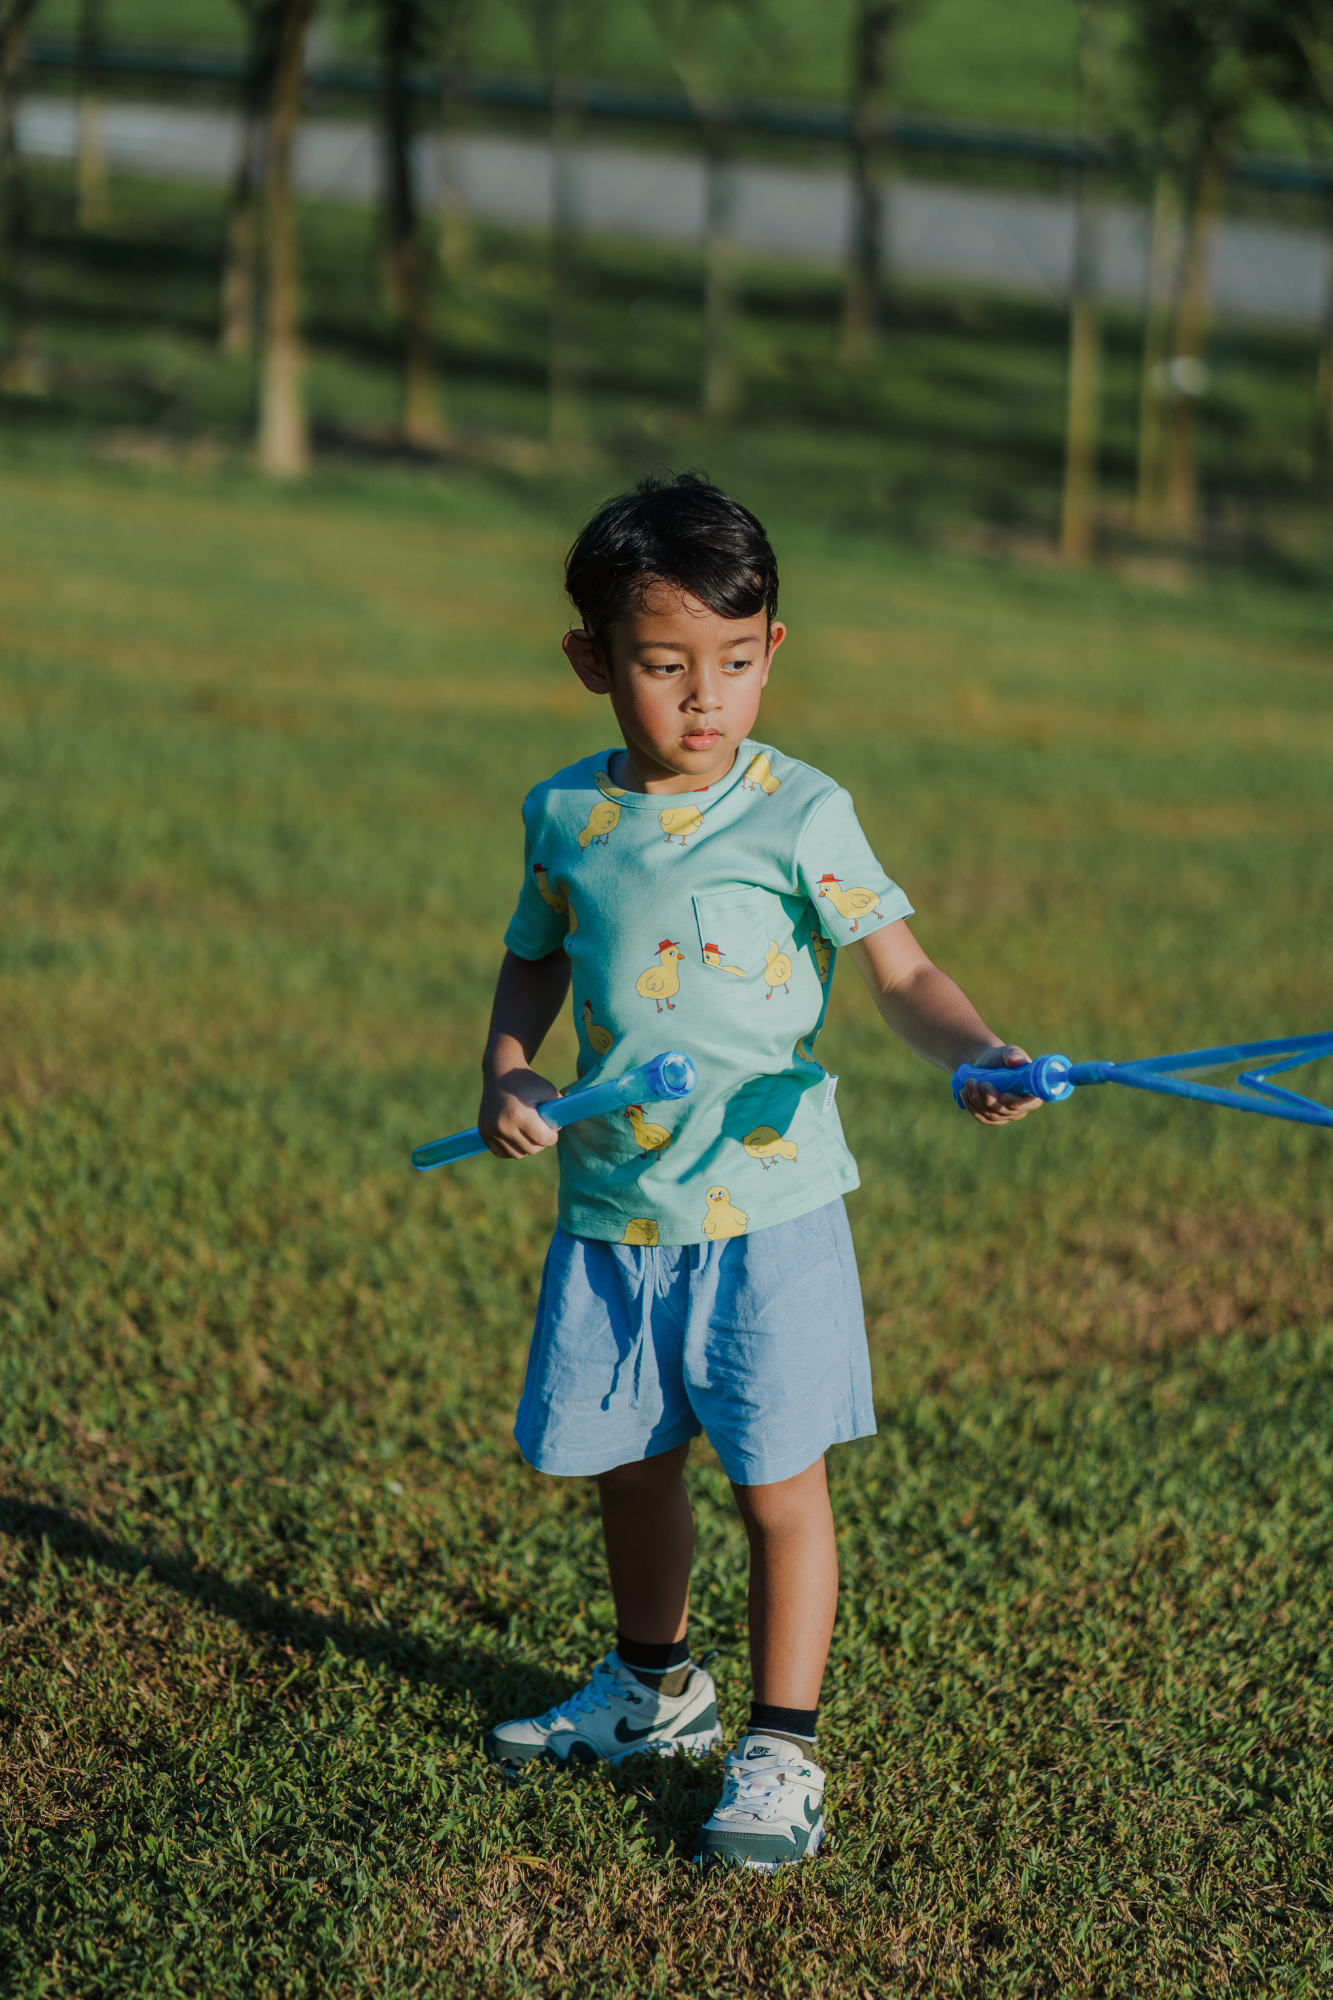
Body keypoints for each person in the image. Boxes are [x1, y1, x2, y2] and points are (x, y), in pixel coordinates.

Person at [477, 472, 1038, 1870]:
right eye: (665, 668)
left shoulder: (800, 811)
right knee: (631, 1466)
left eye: (735, 664)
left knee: (774, 1482)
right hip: (617, 1208)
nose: (705, 699)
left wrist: (972, 1048)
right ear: (593, 662)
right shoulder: (566, 817)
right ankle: (655, 1689)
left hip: (769, 1216)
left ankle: (781, 1744)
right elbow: (536, 952)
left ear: (772, 652)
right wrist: (507, 1069)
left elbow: (899, 968)